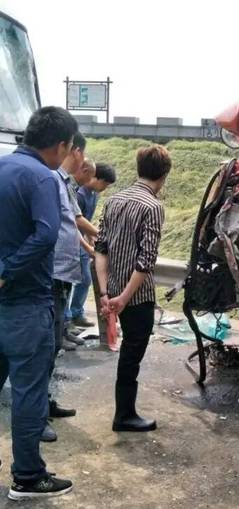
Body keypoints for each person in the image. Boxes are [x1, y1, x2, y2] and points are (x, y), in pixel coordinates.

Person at [0, 106, 75, 500]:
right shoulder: (42, 178)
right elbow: (47, 236)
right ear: (61, 144)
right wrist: (7, 269)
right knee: (29, 392)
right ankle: (27, 477)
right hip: (25, 305)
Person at [95, 145, 171, 432]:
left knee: (128, 352)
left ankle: (124, 412)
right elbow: (146, 261)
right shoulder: (152, 207)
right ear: (164, 174)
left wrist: (106, 294)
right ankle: (124, 415)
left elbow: (100, 248)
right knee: (132, 353)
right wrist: (125, 298)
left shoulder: (114, 201)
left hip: (111, 288)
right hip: (135, 296)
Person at [44, 135, 94, 443]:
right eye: (81, 153)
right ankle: (36, 417)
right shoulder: (49, 180)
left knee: (52, 348)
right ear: (72, 150)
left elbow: (72, 222)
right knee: (43, 350)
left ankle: (44, 403)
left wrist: (93, 241)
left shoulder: (65, 184)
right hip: (49, 277)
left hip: (61, 277)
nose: (81, 160)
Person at [68, 163, 117, 328]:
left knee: (84, 279)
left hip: (82, 239)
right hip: (72, 240)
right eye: (104, 183)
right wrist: (93, 242)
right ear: (95, 177)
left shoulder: (94, 195)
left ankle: (75, 314)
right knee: (71, 280)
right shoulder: (79, 194)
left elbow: (86, 221)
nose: (104, 188)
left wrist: (92, 240)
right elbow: (75, 222)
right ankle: (68, 319)